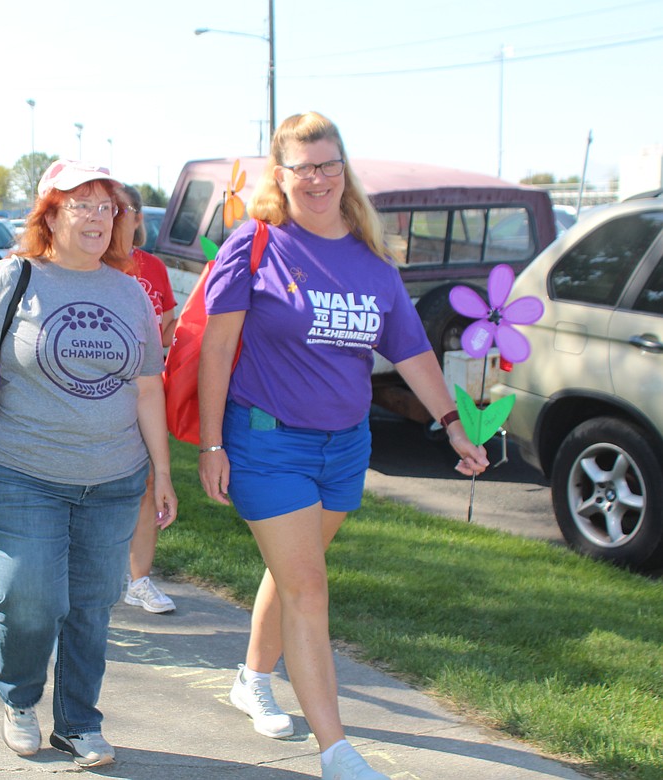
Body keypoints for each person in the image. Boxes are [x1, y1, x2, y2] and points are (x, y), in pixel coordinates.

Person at [197, 112, 489, 780]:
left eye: (330, 165)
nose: (320, 179)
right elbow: (217, 349)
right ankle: (337, 751)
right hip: (268, 441)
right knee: (308, 586)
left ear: (344, 170)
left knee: (293, 571)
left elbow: (411, 352)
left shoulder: (373, 263)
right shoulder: (257, 244)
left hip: (345, 448)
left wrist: (451, 424)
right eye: (305, 168)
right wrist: (212, 445)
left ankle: (251, 677)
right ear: (282, 176)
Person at [0, 160, 177, 768]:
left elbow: (149, 387)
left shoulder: (130, 291)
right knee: (31, 597)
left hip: (112, 477)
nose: (99, 218)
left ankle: (77, 722)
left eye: (108, 208)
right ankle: (19, 700)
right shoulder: (17, 276)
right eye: (83, 205)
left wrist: (163, 472)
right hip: (23, 472)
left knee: (90, 605)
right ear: (50, 213)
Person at [117, 185, 179, 614]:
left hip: (147, 390)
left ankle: (138, 580)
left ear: (138, 218)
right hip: (102, 395)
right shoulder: (96, 265)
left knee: (149, 485)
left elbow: (169, 322)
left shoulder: (153, 267)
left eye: (126, 210)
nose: (120, 217)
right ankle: (95, 574)